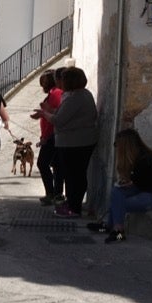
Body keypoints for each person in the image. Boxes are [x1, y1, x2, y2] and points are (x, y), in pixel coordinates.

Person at [84, 129, 152, 243]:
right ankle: (110, 226)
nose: (116, 148)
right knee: (116, 192)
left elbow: (142, 182)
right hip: (146, 189)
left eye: (117, 144)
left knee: (119, 202)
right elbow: (139, 181)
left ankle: (118, 232)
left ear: (126, 146)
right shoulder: (139, 156)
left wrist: (129, 183)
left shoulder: (146, 159)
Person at [42, 66, 99, 218]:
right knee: (75, 175)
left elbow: (59, 120)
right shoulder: (80, 95)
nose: (58, 82)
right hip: (77, 141)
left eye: (61, 79)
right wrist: (50, 111)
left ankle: (74, 208)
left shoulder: (75, 97)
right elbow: (65, 115)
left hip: (75, 142)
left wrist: (44, 114)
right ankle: (73, 204)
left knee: (74, 176)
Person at [30, 70, 64, 206]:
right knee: (56, 165)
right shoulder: (53, 93)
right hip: (50, 135)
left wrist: (46, 136)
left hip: (52, 136)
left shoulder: (55, 94)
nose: (41, 85)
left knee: (42, 163)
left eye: (43, 82)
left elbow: (55, 116)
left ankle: (52, 193)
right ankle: (57, 194)